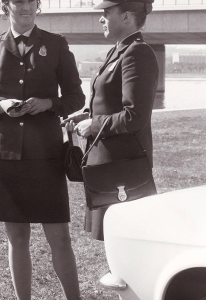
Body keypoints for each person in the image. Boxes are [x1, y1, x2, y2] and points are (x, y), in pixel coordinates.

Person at [0, 0, 85, 299]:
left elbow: (75, 97)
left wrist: (49, 104)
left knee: (59, 238)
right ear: (6, 6)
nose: (26, 8)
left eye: (32, 2)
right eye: (19, 2)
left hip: (44, 155)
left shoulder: (56, 44)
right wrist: (0, 106)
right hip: (4, 156)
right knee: (17, 237)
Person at [63, 0, 158, 241]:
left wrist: (94, 125)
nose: (101, 18)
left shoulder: (137, 52)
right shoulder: (119, 51)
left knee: (127, 246)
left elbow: (134, 115)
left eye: (106, 12)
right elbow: (111, 100)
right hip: (108, 166)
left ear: (126, 17)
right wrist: (87, 115)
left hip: (122, 168)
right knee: (114, 245)